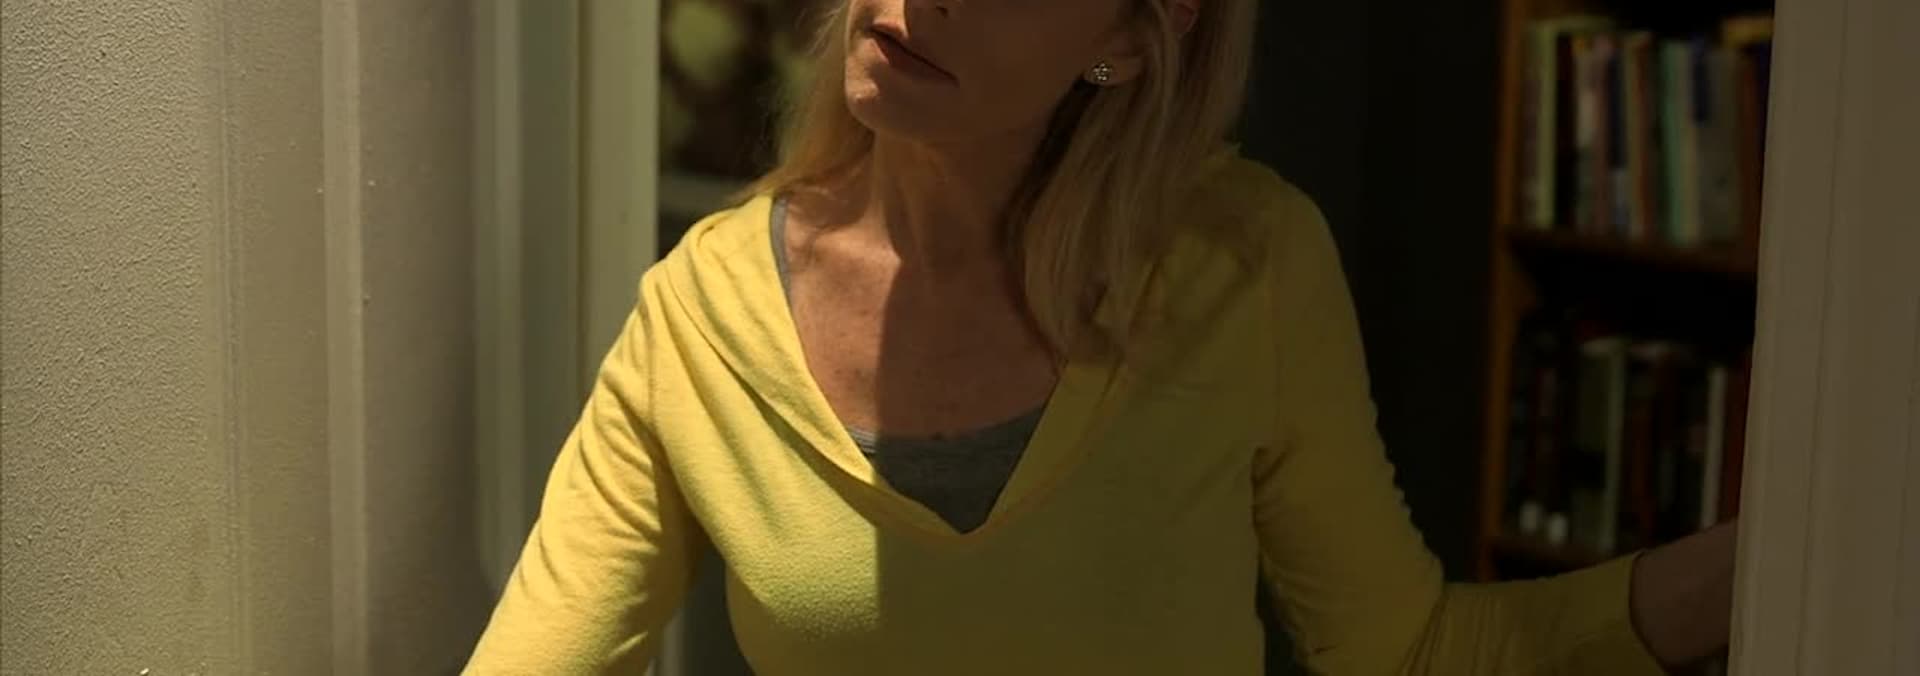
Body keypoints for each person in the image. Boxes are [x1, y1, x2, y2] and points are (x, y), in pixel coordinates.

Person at [465, 0, 1738, 672]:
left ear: (1134, 33)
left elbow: (1409, 654)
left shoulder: (1244, 266)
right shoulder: (705, 310)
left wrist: (1783, 559)